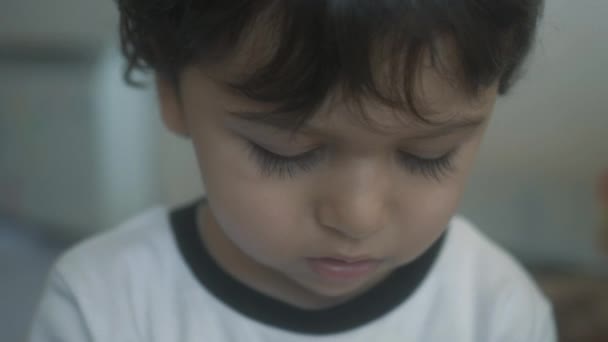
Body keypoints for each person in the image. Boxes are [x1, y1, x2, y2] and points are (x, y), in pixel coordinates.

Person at [29, 0, 557, 341]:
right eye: (285, 152)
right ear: (172, 92)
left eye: (428, 155)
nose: (357, 217)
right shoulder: (101, 309)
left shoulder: (497, 311)